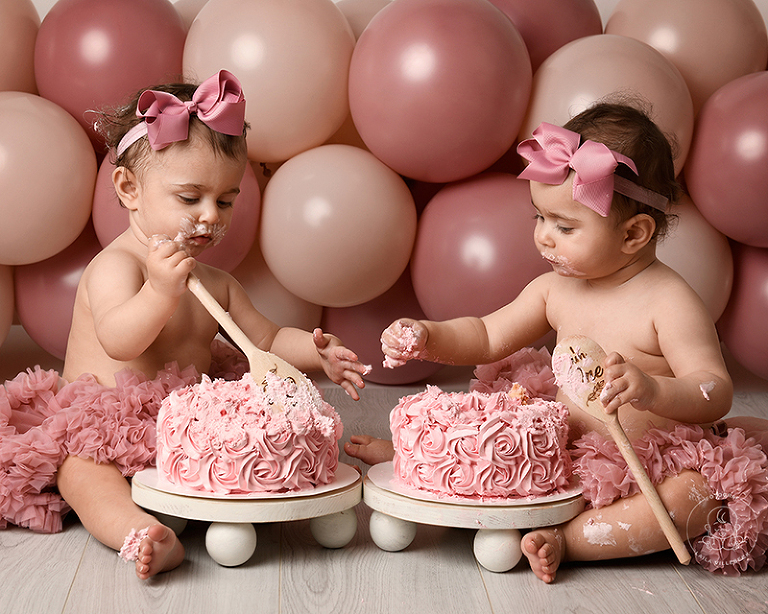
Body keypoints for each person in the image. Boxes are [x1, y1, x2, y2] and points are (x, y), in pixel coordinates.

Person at [345, 102, 768, 580]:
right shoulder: (555, 289)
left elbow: (714, 388)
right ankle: (420, 467)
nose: (545, 238)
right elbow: (486, 336)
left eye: (565, 227)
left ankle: (575, 540)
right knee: (492, 430)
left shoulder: (669, 302)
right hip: (558, 449)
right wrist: (428, 336)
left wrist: (654, 389)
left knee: (695, 495)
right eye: (539, 219)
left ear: (634, 233)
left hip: (644, 465)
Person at [0, 70, 368, 580]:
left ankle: (221, 504)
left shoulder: (216, 283)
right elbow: (118, 337)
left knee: (247, 442)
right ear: (129, 189)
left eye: (226, 200)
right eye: (189, 198)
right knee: (81, 472)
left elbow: (263, 340)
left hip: (185, 428)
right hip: (103, 421)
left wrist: (316, 351)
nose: (210, 216)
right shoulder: (118, 267)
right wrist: (157, 292)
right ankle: (139, 532)